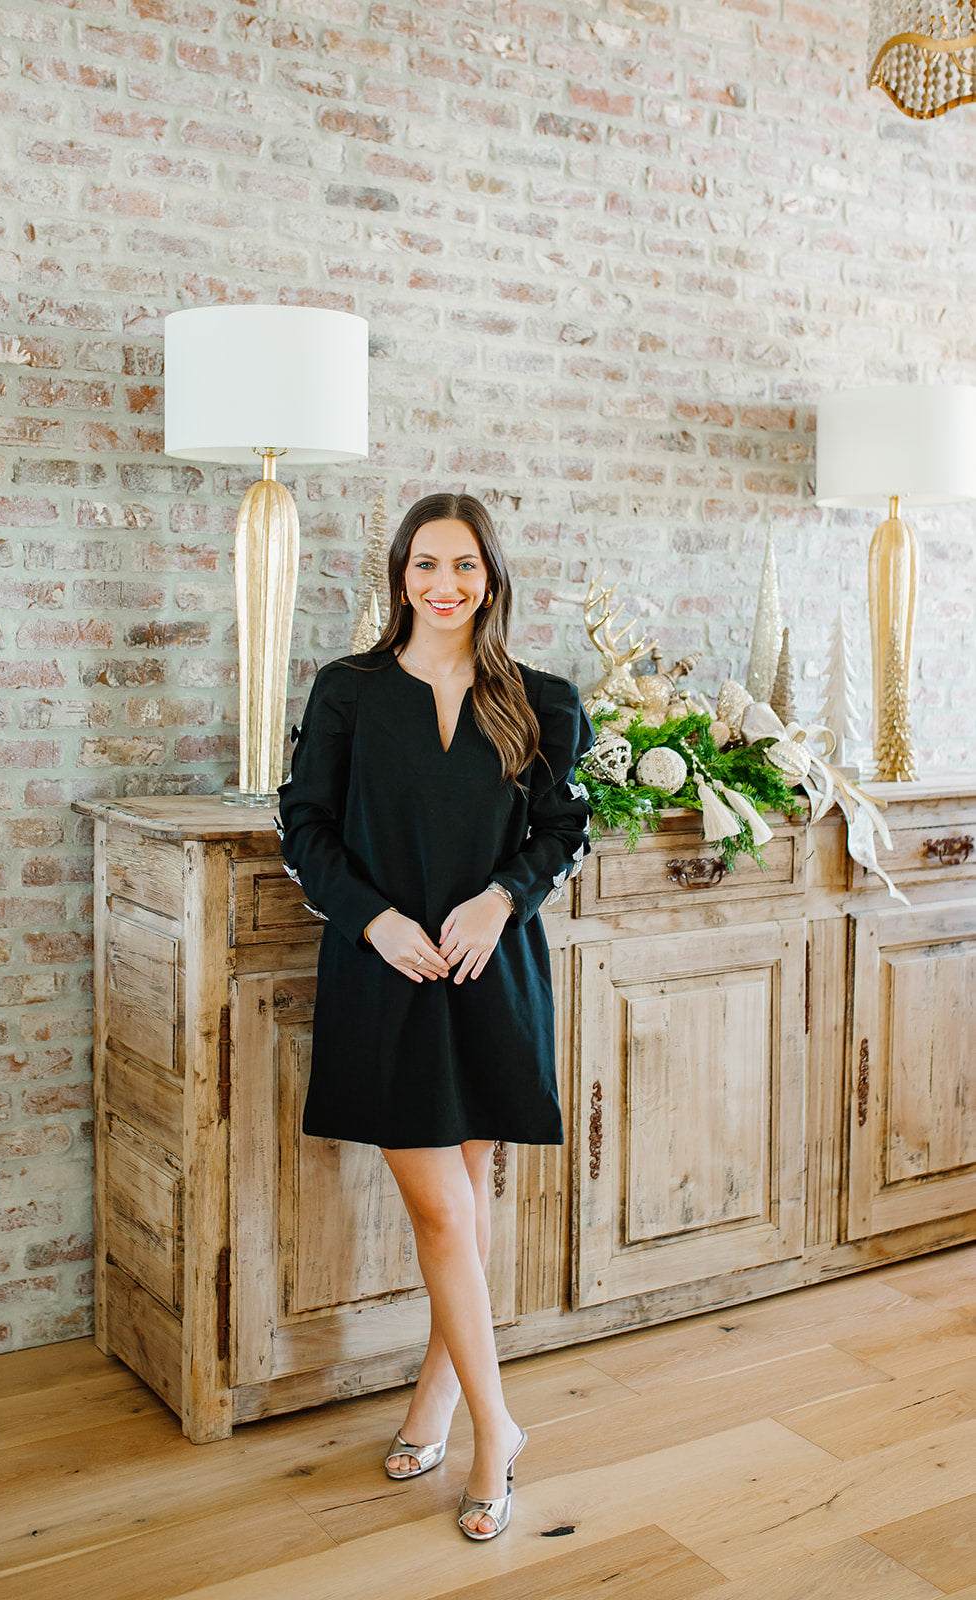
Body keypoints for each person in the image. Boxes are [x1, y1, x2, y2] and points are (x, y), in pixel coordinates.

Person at [276, 491, 594, 1541]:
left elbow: (558, 830)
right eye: (424, 565)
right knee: (442, 1210)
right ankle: (498, 1429)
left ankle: (436, 1400)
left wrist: (500, 897)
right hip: (387, 974)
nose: (443, 585)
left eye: (463, 566)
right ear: (398, 574)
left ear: (490, 577)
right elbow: (307, 825)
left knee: (462, 1197)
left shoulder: (540, 700)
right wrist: (369, 920)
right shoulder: (347, 692)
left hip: (488, 972)